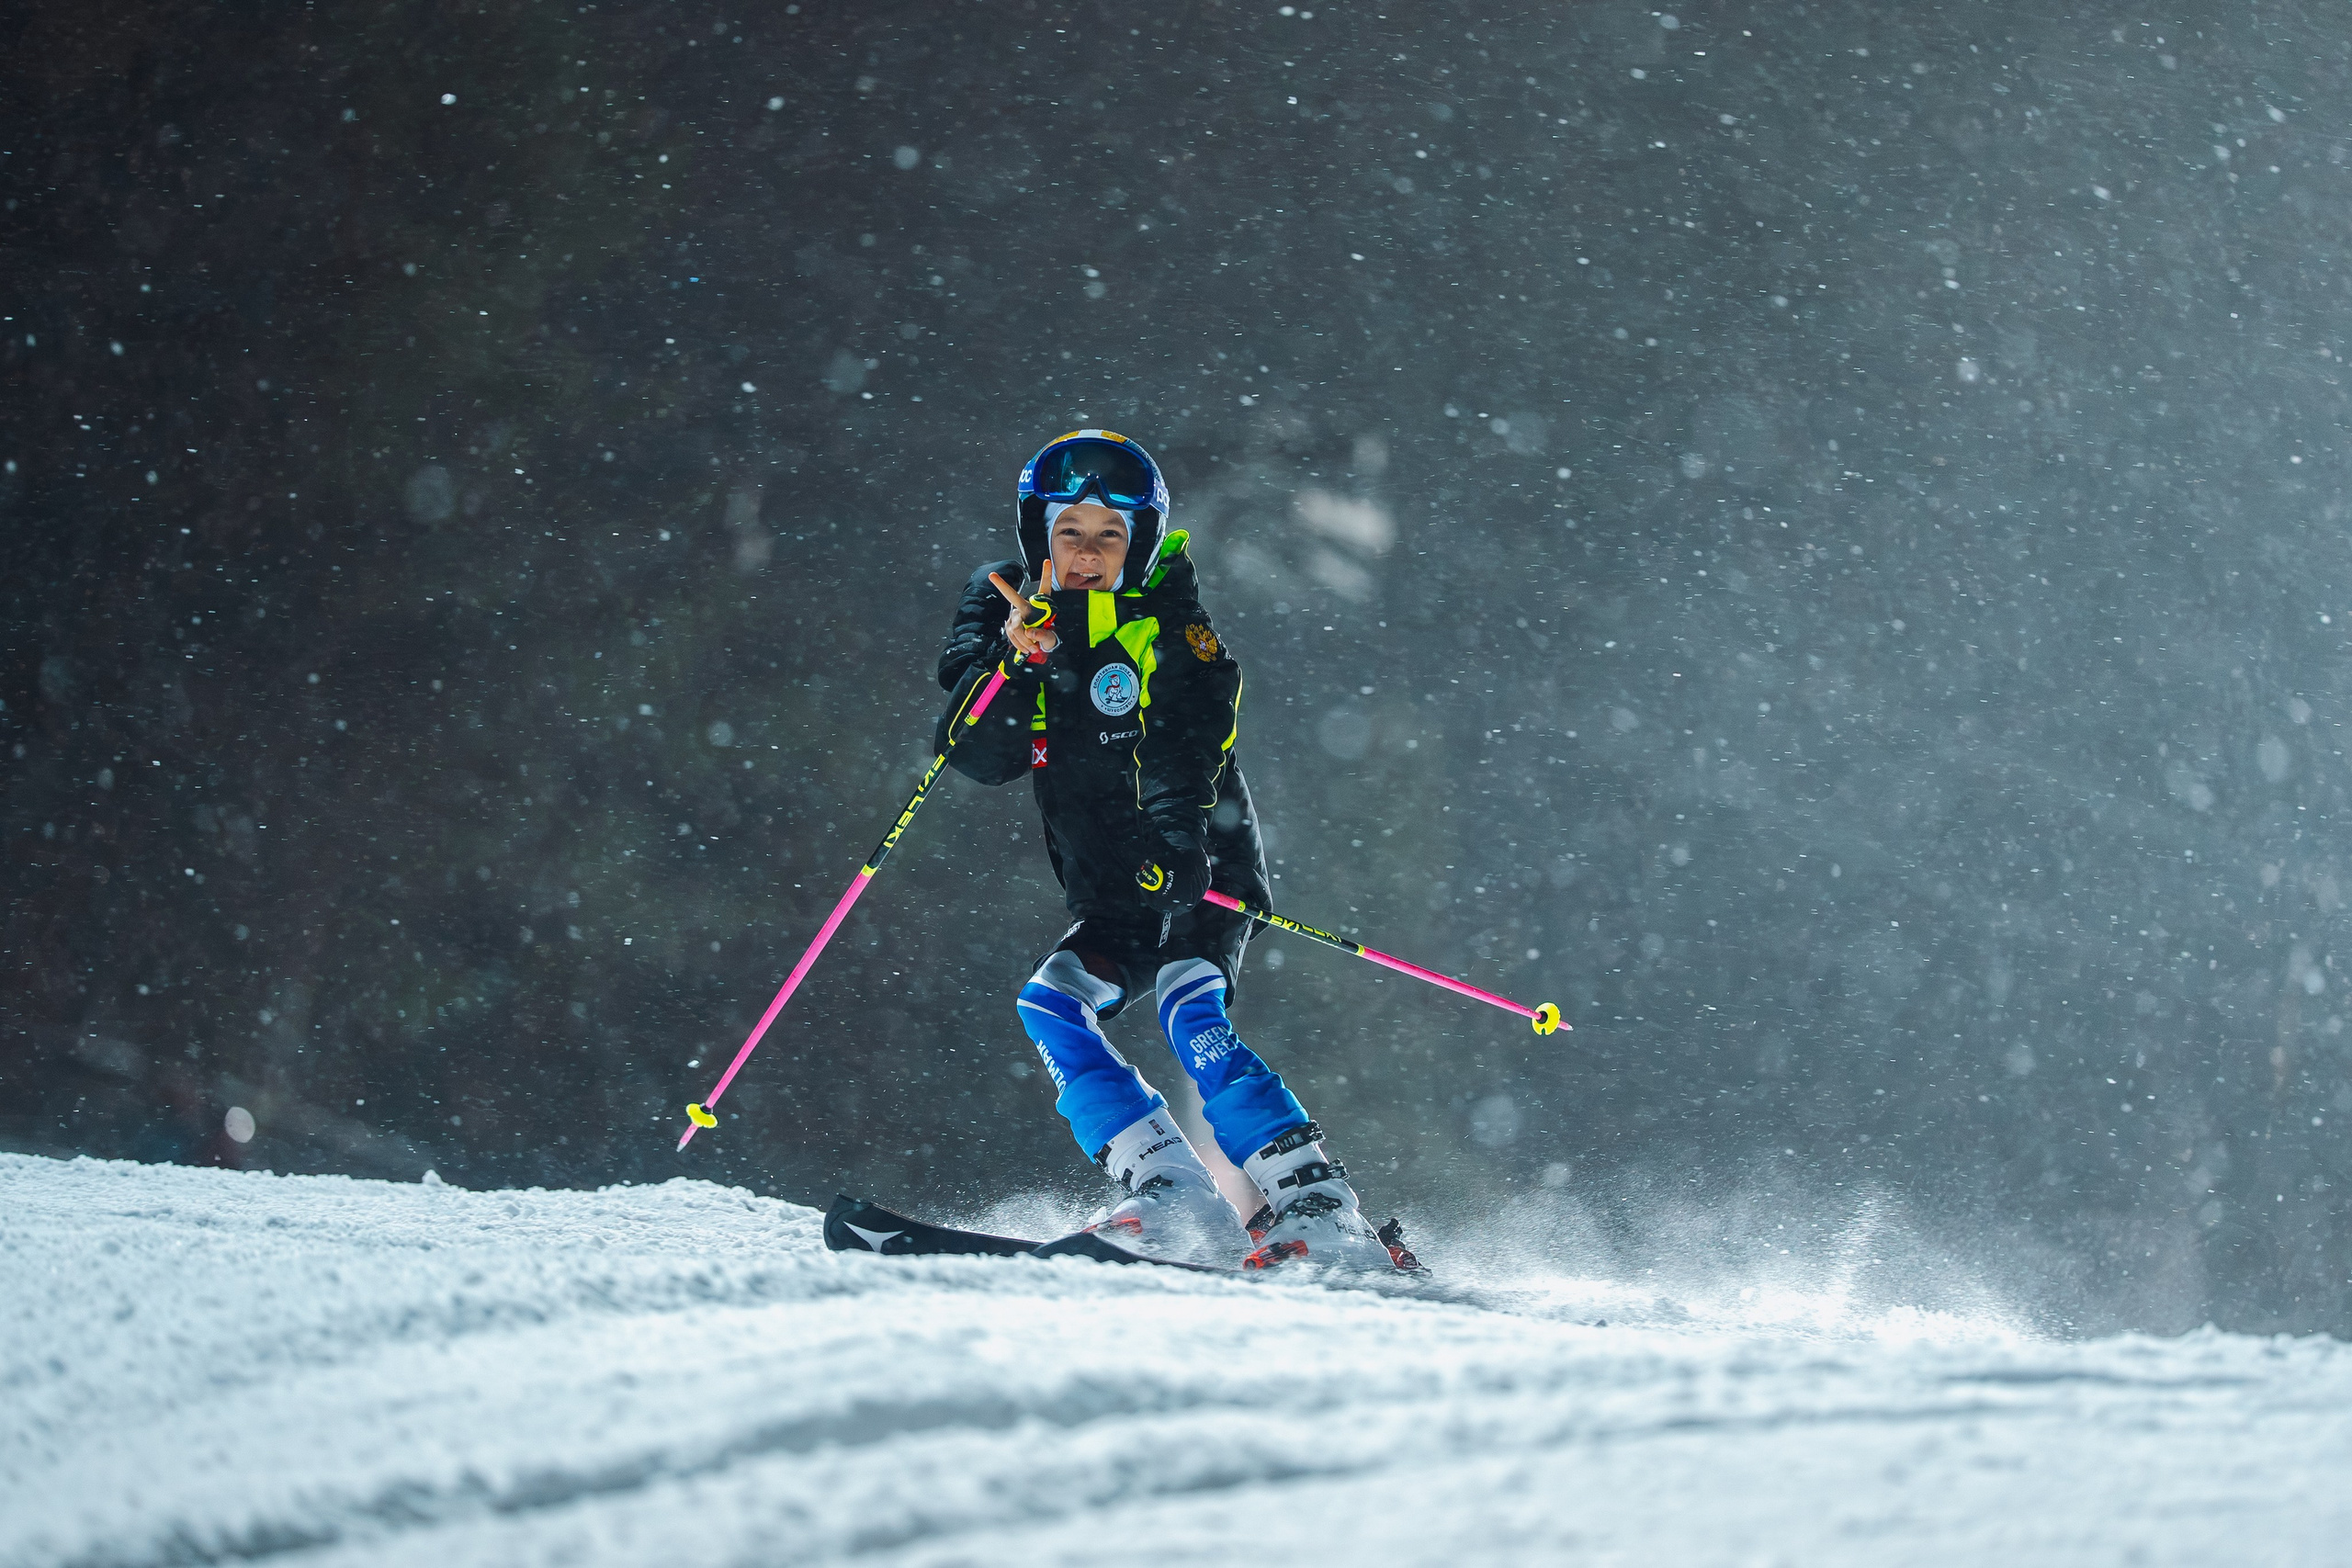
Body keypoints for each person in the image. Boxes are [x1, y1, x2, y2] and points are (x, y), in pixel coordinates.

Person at [933, 430, 1414, 1272]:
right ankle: (1171, 1188)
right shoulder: (1012, 608)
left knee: (1190, 1008)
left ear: (1141, 542)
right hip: (1108, 883)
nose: (1087, 554)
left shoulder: (1165, 615)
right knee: (1051, 1004)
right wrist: (1017, 662)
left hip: (1201, 861)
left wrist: (1176, 836)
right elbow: (976, 754)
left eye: (1109, 534)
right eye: (1070, 531)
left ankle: (1317, 1201)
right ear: (1039, 534)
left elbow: (1189, 736)